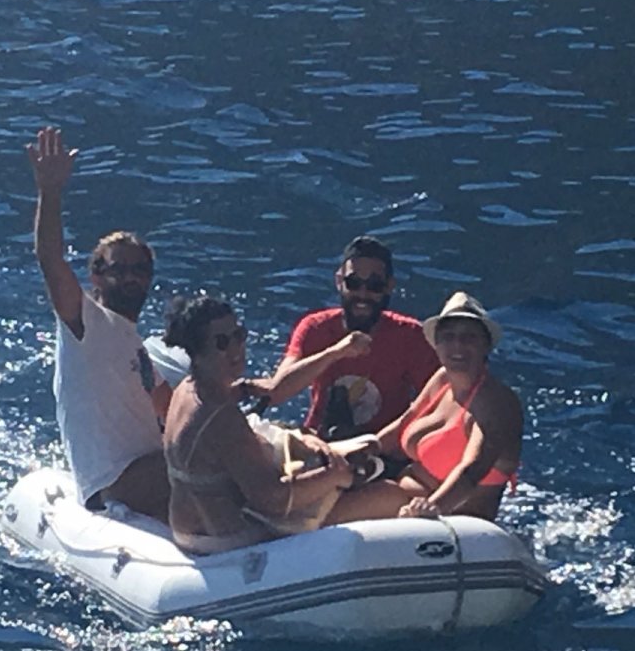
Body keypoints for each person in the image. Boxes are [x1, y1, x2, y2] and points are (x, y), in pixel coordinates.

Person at [27, 126, 172, 519]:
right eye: (118, 268)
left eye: (141, 269)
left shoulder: (134, 345)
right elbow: (50, 258)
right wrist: (51, 191)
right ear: (95, 275)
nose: (131, 277)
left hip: (148, 470)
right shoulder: (84, 323)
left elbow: (169, 407)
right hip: (113, 482)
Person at [162, 295, 355, 554]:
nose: (236, 349)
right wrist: (333, 475)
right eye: (222, 342)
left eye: (238, 335)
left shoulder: (186, 390)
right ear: (197, 352)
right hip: (225, 539)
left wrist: (245, 388)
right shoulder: (222, 418)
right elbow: (273, 500)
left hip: (188, 529)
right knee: (359, 496)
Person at [326, 291, 522, 524]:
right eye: (448, 337)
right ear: (436, 345)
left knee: (321, 517)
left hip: (450, 520)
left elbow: (472, 471)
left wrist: (431, 507)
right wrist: (365, 449)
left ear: (485, 345)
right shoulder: (443, 379)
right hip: (402, 492)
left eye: (469, 337)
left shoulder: (496, 403)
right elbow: (405, 422)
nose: (457, 345)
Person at [245, 235, 439, 440]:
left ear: (389, 286)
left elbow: (439, 399)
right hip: (319, 442)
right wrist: (336, 353)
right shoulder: (315, 328)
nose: (363, 294)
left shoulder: (410, 336)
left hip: (383, 444)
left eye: (374, 285)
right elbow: (277, 392)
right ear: (339, 281)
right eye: (353, 283)